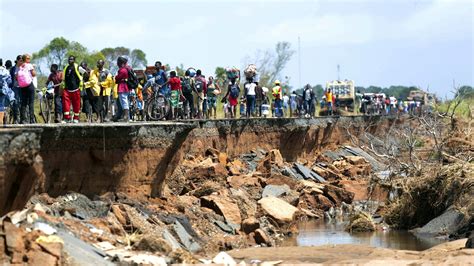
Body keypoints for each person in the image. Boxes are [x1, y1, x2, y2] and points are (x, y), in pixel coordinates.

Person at [62, 55, 83, 123]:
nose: (70, 60)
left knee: (76, 104)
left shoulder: (77, 67)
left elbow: (84, 73)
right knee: (65, 104)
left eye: (71, 59)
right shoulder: (66, 67)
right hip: (67, 89)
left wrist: (82, 81)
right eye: (69, 59)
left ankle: (76, 118)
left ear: (74, 60)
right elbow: (63, 77)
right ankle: (66, 118)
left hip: (76, 89)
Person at [17, 54, 37, 124]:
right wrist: (34, 69)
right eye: (28, 58)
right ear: (26, 59)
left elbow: (16, 77)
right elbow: (34, 74)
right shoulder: (29, 65)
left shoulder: (20, 66)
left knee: (23, 103)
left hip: (22, 87)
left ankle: (22, 120)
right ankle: (32, 119)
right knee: (31, 102)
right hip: (29, 85)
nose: (29, 59)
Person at [114, 56, 131, 122]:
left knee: (124, 102)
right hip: (126, 87)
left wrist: (116, 77)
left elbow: (117, 78)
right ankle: (126, 117)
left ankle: (126, 117)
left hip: (122, 87)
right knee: (125, 102)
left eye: (118, 62)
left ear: (121, 63)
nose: (117, 64)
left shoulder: (122, 70)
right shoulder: (127, 69)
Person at [0, 59, 14, 124]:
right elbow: (9, 81)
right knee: (1, 105)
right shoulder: (5, 71)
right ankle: (0, 121)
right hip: (3, 90)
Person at [9, 55, 22, 124]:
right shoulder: (13, 68)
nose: (21, 62)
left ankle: (22, 118)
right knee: (16, 103)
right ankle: (16, 118)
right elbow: (10, 79)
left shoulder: (23, 68)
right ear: (17, 60)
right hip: (15, 87)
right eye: (20, 60)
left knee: (22, 102)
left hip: (22, 88)